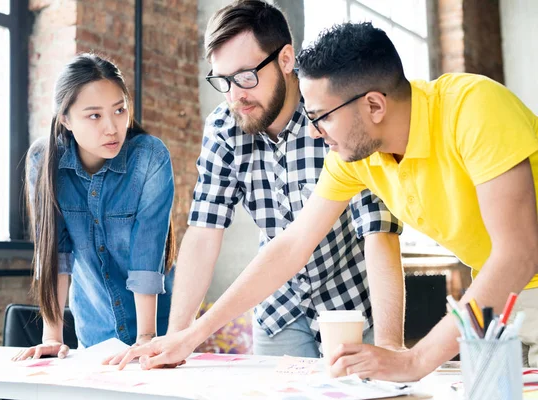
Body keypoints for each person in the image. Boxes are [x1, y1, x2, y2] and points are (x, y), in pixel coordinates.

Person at [108, 21, 538, 380]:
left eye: (320, 116)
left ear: (373, 105)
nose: (313, 131)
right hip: (508, 304)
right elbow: (291, 247)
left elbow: (518, 254)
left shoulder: (473, 109)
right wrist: (189, 333)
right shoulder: (357, 158)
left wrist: (413, 358)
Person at [105, 0, 404, 368]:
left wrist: (391, 345)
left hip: (353, 307)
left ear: (286, 59)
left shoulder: (335, 117)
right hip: (278, 309)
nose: (235, 96)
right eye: (223, 81)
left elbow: (379, 233)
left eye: (246, 77)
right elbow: (203, 231)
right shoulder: (224, 127)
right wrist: (177, 338)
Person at [13, 53, 176, 360]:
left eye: (119, 110)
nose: (112, 128)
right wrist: (52, 336)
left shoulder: (150, 157)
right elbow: (55, 252)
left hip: (161, 326)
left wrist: (146, 338)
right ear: (65, 119)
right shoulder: (44, 160)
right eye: (94, 116)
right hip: (95, 329)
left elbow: (148, 252)